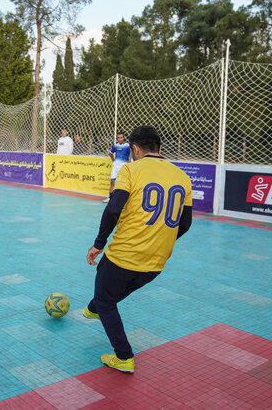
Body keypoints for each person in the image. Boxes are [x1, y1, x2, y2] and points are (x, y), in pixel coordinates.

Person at [83, 125, 193, 374]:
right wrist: (158, 240)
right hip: (155, 263)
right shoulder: (182, 177)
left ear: (134, 149)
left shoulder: (131, 170)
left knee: (106, 299)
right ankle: (95, 308)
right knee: (108, 297)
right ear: (160, 148)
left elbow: (113, 209)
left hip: (123, 256)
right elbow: (184, 224)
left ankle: (124, 356)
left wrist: (98, 244)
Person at [102, 132, 131, 203]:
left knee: (124, 183)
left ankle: (124, 199)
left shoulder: (127, 146)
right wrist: (111, 157)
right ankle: (110, 198)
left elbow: (130, 155)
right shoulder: (115, 146)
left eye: (121, 137)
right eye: (118, 138)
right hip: (115, 167)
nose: (120, 139)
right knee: (112, 182)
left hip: (123, 167)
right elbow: (111, 155)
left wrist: (129, 165)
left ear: (124, 138)